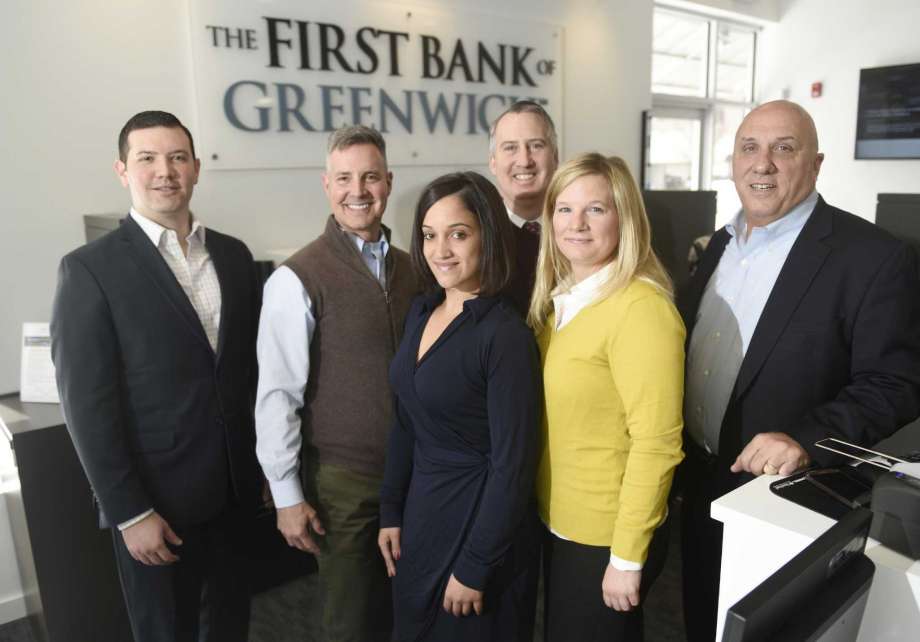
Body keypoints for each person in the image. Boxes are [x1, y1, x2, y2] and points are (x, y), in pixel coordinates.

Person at [678, 100, 920, 641]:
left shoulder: (874, 258)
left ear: (816, 164)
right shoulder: (719, 243)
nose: (762, 164)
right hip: (701, 482)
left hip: (784, 496)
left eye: (784, 149)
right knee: (702, 618)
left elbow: (894, 385)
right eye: (749, 148)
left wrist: (805, 439)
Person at [50, 110, 262, 642]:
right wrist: (128, 513)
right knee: (167, 631)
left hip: (234, 495)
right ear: (123, 170)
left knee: (231, 624)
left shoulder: (235, 256)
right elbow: (88, 407)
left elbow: (247, 375)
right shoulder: (89, 270)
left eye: (177, 157)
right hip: (157, 506)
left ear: (195, 169)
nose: (164, 170)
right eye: (147, 158)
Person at [255, 125, 417, 641]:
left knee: (411, 612)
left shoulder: (417, 269)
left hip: (416, 477)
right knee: (352, 622)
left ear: (388, 182)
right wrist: (286, 496)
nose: (358, 190)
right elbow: (277, 394)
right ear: (327, 186)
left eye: (370, 176)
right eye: (344, 178)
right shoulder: (297, 278)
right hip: (344, 486)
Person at [378, 172, 542, 641]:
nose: (440, 250)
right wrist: (391, 508)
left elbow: (514, 466)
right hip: (423, 516)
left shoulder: (505, 335)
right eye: (430, 236)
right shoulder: (423, 310)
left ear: (487, 236)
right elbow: (406, 420)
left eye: (458, 234)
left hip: (478, 524)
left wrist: (476, 564)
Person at [529, 153, 685, 641]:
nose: (576, 224)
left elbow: (657, 443)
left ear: (625, 218)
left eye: (595, 209)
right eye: (564, 209)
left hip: (605, 536)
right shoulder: (563, 299)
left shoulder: (641, 308)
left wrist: (627, 556)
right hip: (560, 521)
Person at [488, 100, 560, 315]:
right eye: (510, 148)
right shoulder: (480, 236)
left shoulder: (580, 231)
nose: (524, 160)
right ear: (493, 162)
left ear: (555, 157)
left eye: (536, 145)